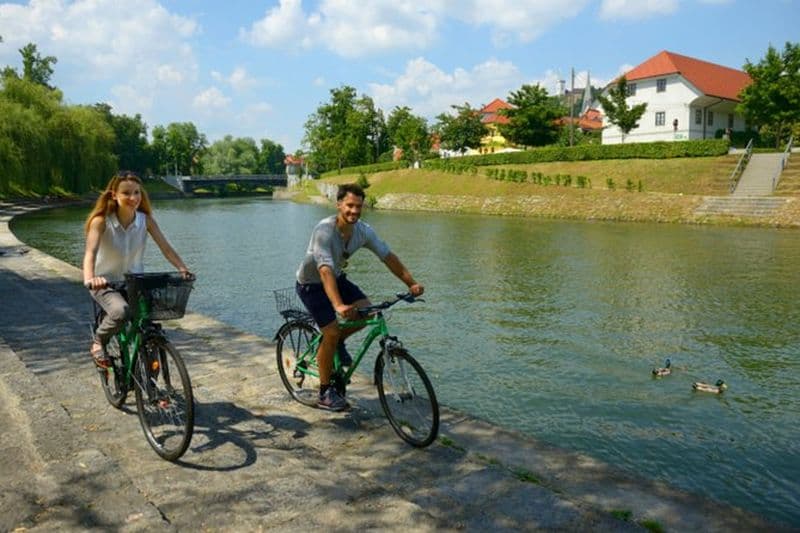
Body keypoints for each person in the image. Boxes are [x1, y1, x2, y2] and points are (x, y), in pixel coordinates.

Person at [295, 183, 424, 411]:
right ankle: (325, 393)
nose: (354, 211)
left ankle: (337, 343)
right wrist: (338, 305)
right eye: (349, 206)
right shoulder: (324, 230)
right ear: (339, 205)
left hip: (337, 278)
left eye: (359, 206)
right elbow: (324, 269)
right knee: (331, 331)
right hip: (311, 285)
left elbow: (387, 256)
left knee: (368, 310)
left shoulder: (363, 231)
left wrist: (411, 283)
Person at [82, 171, 193, 368]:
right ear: (114, 195)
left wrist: (182, 268)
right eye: (126, 193)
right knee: (120, 311)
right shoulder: (101, 221)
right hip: (105, 283)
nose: (133, 198)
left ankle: (152, 387)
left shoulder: (145, 220)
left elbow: (166, 248)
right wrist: (91, 278)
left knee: (150, 327)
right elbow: (90, 253)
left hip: (135, 281)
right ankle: (99, 341)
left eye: (137, 192)